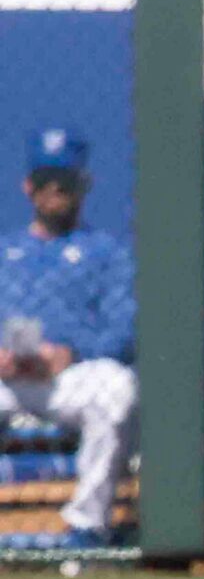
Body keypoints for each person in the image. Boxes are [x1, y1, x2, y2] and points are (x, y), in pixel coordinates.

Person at [0, 127, 135, 550]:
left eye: (66, 181)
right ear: (27, 187)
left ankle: (87, 527)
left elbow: (124, 331)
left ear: (84, 185)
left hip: (67, 378)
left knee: (116, 388)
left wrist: (70, 352)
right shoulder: (6, 252)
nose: (54, 190)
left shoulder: (107, 253)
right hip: (9, 377)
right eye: (45, 181)